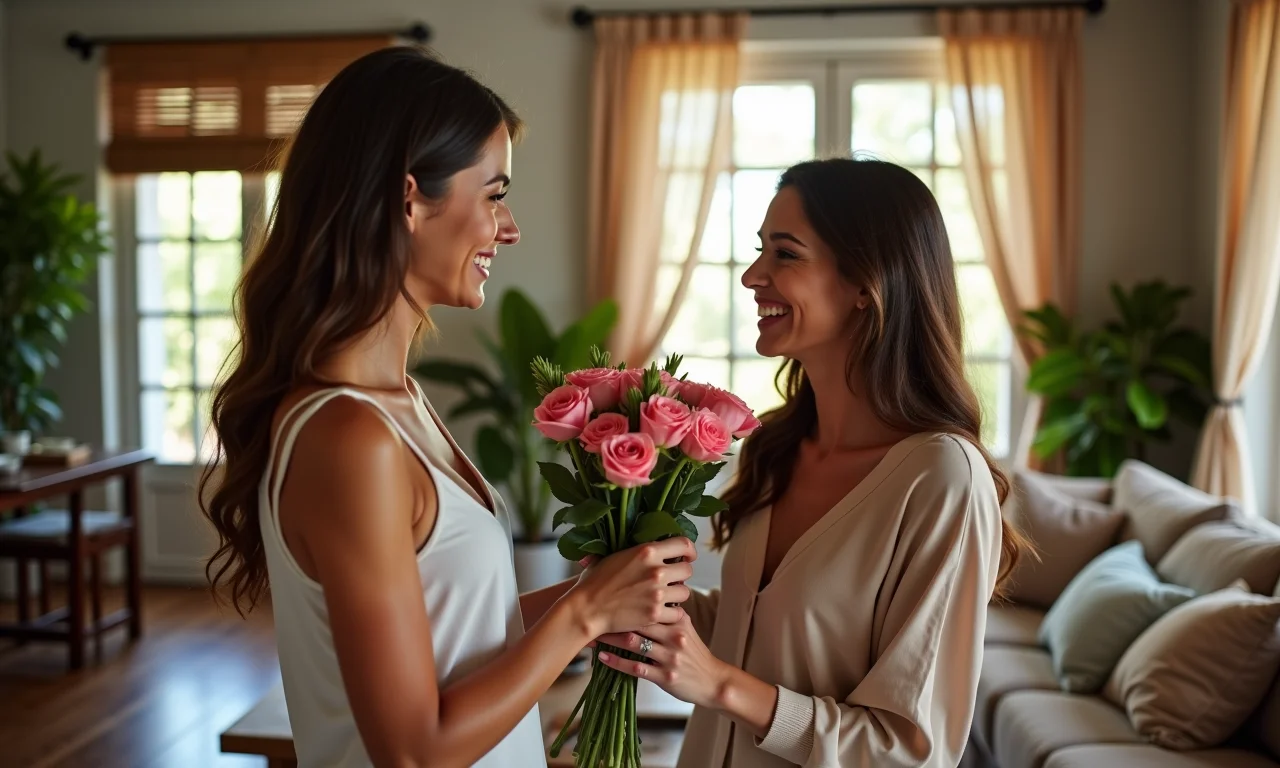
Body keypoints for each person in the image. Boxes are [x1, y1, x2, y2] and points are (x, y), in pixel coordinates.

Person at [198, 46, 696, 768]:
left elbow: (462, 634)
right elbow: (411, 750)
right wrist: (585, 616)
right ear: (410, 198)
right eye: (494, 194)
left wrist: (591, 598)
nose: (510, 226)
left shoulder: (400, 405)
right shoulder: (348, 437)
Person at [592, 157, 1028, 767]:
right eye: (759, 251)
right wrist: (631, 587)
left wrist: (719, 685)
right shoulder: (777, 446)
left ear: (864, 285)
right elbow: (760, 628)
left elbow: (908, 752)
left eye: (785, 254)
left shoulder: (940, 479)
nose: (751, 275)